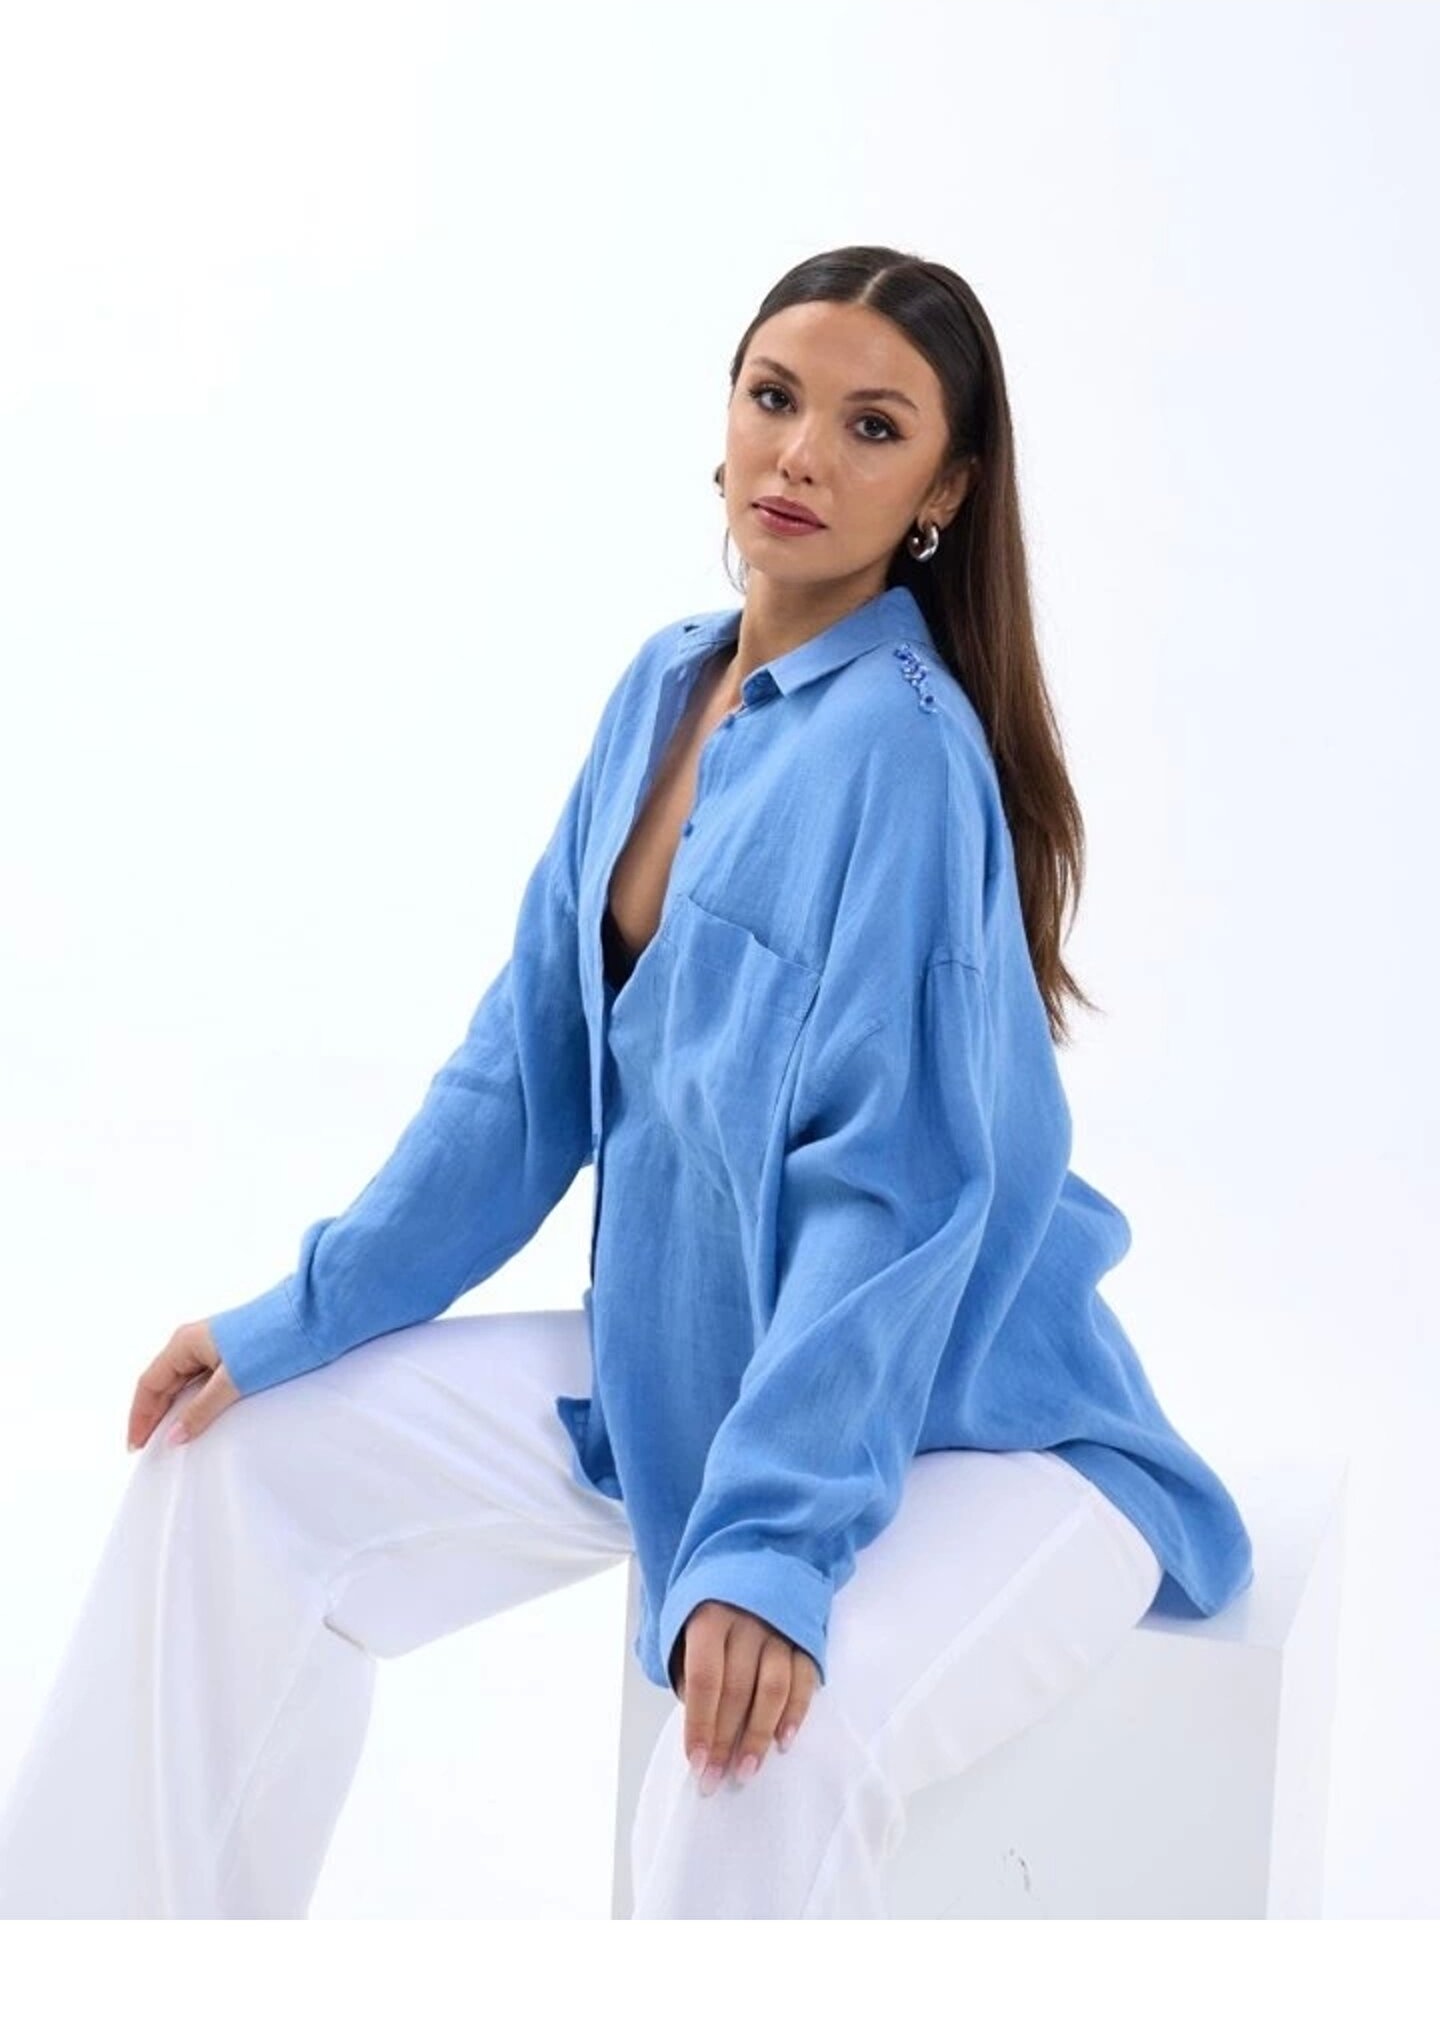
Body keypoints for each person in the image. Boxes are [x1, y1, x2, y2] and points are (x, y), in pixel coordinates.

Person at [0, 245, 1253, 1921]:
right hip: (700, 1363)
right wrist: (301, 1313)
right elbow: (519, 1081)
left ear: (945, 490)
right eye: (774, 398)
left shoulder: (902, 752)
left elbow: (893, 1196)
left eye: (872, 427)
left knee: (755, 1757)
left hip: (971, 1419)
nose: (801, 454)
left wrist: (770, 1546)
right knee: (233, 1469)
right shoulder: (665, 686)